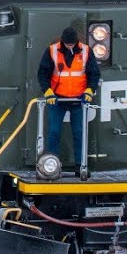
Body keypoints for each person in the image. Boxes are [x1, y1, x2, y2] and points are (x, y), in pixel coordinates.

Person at [37, 26, 101, 168]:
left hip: (78, 100)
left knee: (79, 133)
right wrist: (47, 91)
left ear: (76, 41)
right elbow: (43, 73)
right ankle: (52, 165)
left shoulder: (86, 51)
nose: (70, 46)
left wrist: (90, 90)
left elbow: (94, 73)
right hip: (57, 100)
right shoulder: (52, 51)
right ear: (63, 41)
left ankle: (80, 165)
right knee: (54, 132)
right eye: (67, 44)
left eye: (72, 44)